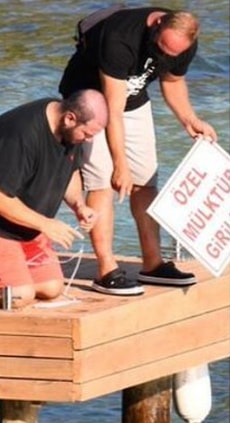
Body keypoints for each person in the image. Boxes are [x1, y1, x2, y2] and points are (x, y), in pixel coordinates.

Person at [58, 7, 218, 295]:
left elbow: (172, 81)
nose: (166, 55)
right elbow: (113, 110)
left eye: (173, 52)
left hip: (133, 99)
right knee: (103, 179)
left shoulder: (183, 42)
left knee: (146, 179)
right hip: (90, 100)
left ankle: (153, 264)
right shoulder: (120, 38)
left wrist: (190, 120)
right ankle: (106, 270)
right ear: (156, 25)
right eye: (162, 48)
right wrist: (120, 164)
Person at [0, 89, 107, 307]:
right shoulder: (21, 135)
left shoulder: (69, 130)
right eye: (86, 135)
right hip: (3, 226)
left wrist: (79, 205)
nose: (88, 140)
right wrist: (46, 224)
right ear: (70, 118)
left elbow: (69, 173)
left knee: (51, 288)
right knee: (19, 296)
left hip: (27, 228)